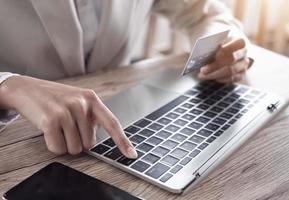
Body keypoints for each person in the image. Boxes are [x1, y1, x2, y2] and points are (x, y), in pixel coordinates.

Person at [0, 0, 251, 159]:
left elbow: (205, 13)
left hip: (121, 120)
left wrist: (224, 45)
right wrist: (9, 86)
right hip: (18, 142)